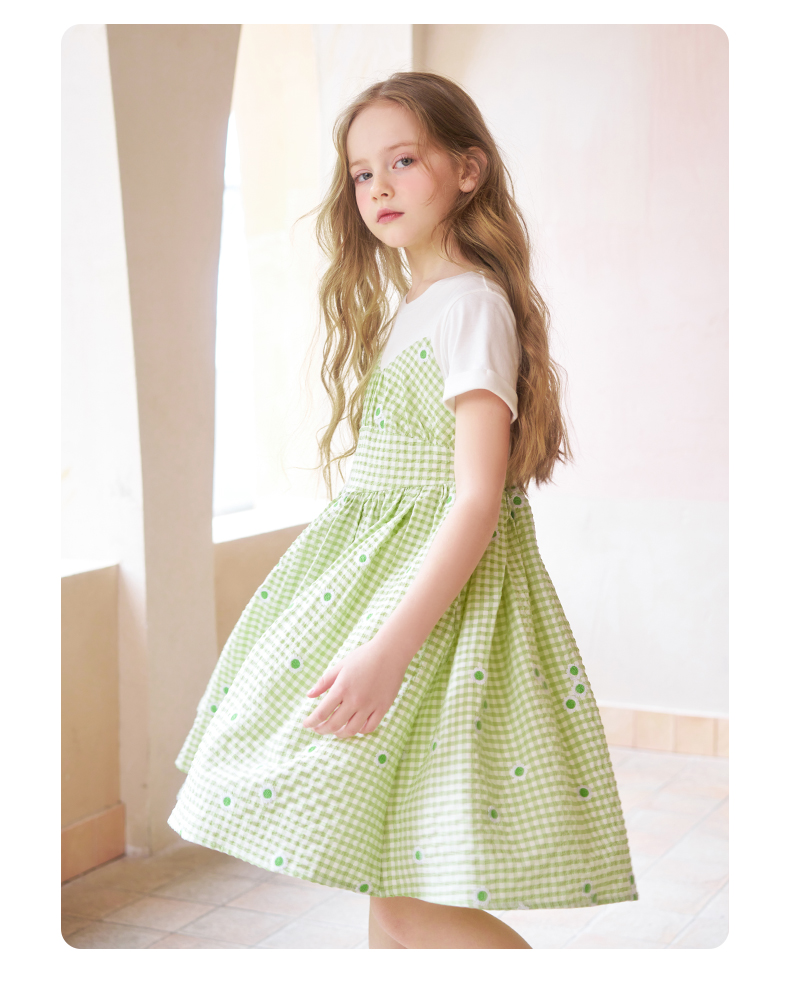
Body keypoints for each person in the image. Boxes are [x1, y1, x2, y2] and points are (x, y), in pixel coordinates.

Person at [168, 71, 637, 949]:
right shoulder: (419, 305)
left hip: (434, 611)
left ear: (468, 170)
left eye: (403, 161)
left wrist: (387, 653)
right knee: (390, 879)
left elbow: (477, 497)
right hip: (389, 585)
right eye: (361, 172)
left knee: (408, 898)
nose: (377, 186)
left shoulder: (471, 306)